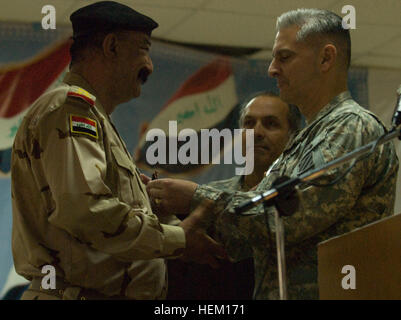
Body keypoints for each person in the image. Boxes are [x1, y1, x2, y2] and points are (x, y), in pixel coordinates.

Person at [146, 8, 399, 299]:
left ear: (326, 58)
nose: (272, 69)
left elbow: (287, 220)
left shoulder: (351, 127)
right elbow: (244, 238)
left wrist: (195, 197)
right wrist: (169, 212)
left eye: (285, 57)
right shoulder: (308, 137)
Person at [11, 1, 224, 300]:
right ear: (112, 46)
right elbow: (87, 212)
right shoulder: (70, 110)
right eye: (144, 49)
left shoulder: (96, 118)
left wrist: (150, 206)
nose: (149, 65)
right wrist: (178, 240)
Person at [165, 92, 303, 299]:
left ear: (293, 137)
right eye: (249, 123)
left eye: (271, 124)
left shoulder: (303, 197)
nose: (256, 132)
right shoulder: (208, 198)